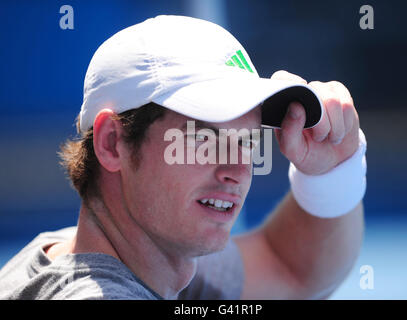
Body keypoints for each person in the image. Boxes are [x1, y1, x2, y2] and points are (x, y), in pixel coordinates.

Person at [0, 15, 367, 300]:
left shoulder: (130, 255)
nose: (237, 169)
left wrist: (333, 173)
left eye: (247, 140)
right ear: (113, 143)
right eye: (202, 137)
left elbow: (290, 270)